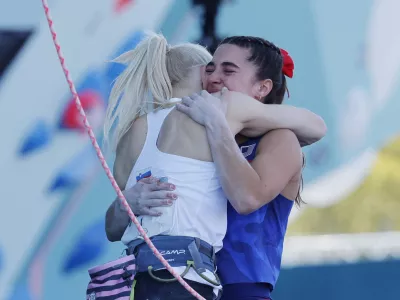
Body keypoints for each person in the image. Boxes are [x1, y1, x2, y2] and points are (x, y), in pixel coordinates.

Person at [104, 33, 326, 300]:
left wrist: (218, 124)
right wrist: (125, 203)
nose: (214, 77)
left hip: (240, 290)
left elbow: (248, 198)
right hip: (178, 277)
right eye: (210, 68)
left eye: (227, 70)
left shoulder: (279, 139)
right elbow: (113, 229)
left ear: (262, 88)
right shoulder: (194, 131)